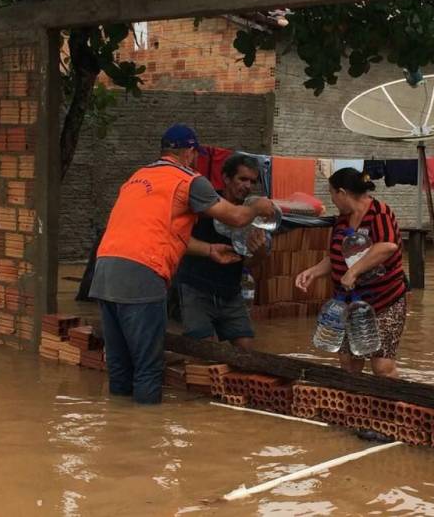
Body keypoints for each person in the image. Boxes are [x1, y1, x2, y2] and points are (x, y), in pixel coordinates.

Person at [89, 125, 276, 404]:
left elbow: (160, 231)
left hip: (104, 271)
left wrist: (210, 249)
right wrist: (259, 207)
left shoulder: (138, 177)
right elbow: (236, 217)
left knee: (120, 364)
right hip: (143, 273)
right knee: (148, 368)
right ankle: (145, 437)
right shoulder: (189, 180)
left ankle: (118, 431)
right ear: (190, 153)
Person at [295, 168, 407, 378]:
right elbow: (336, 256)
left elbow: (387, 246)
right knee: (349, 363)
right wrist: (313, 272)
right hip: (349, 303)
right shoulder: (342, 221)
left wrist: (353, 272)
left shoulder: (379, 212)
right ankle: (357, 406)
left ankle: (391, 407)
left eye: (332, 194)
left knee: (382, 367)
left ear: (343, 193)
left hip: (384, 302)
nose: (332, 199)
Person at [176, 153, 269, 350]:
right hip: (197, 289)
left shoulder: (252, 216)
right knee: (204, 353)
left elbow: (246, 262)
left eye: (252, 182)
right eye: (242, 179)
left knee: (246, 350)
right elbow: (178, 241)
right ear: (226, 178)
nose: (247, 186)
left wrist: (259, 253)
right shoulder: (205, 205)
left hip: (230, 293)